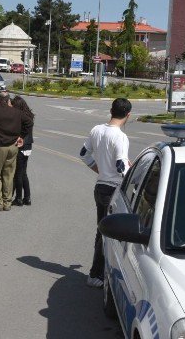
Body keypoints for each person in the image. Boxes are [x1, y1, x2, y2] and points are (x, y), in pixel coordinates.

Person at [79, 98, 131, 288]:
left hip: (100, 187)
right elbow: (120, 166)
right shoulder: (121, 137)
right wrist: (131, 176)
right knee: (113, 235)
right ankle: (100, 275)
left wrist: (99, 170)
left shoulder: (96, 130)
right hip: (113, 191)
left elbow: (84, 154)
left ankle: (98, 273)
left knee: (102, 231)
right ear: (128, 115)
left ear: (111, 111)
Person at [11, 96, 34, 206]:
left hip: (22, 145)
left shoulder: (21, 116)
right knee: (23, 173)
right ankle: (27, 197)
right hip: (28, 146)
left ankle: (19, 198)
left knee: (18, 173)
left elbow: (25, 129)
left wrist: (21, 136)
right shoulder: (28, 114)